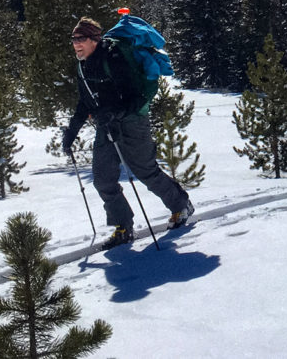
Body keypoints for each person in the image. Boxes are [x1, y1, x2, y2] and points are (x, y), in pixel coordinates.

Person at [62, 17, 194, 250]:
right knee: (102, 178)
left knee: (145, 171)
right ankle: (123, 226)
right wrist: (71, 132)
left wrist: (114, 113)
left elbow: (134, 95)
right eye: (73, 40)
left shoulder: (114, 58)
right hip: (107, 125)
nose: (76, 44)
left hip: (132, 121)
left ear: (95, 40)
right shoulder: (83, 65)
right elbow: (85, 101)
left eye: (81, 39)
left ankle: (181, 205)